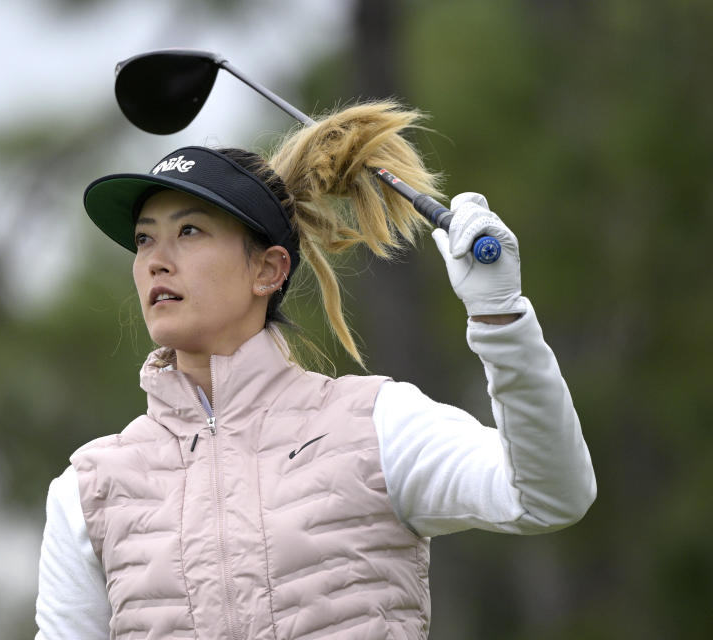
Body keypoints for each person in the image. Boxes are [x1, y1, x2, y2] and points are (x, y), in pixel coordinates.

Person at [34, 102, 596, 640]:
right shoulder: (88, 488)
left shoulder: (377, 425)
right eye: (143, 239)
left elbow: (549, 495)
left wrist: (501, 320)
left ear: (268, 269)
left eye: (189, 232)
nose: (156, 258)